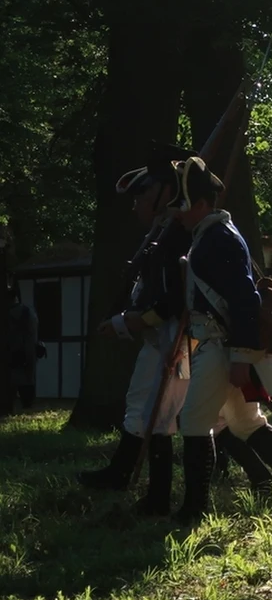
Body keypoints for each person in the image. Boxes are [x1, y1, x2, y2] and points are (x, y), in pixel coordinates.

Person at [171, 156, 272, 522]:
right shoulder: (210, 237)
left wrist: (241, 357)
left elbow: (244, 299)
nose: (178, 213)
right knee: (246, 424)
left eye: (183, 205)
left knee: (194, 423)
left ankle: (193, 510)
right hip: (216, 344)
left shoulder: (218, 238)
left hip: (220, 346)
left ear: (201, 204)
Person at [79, 144, 195, 516]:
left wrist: (131, 322)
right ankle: (138, 483)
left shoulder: (178, 234)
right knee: (148, 412)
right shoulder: (164, 233)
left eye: (143, 194)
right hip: (162, 335)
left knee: (157, 414)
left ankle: (151, 491)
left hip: (175, 336)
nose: (136, 204)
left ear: (163, 194)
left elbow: (173, 299)